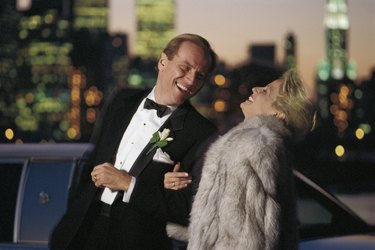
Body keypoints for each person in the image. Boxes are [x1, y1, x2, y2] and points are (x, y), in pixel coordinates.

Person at [49, 33, 218, 250]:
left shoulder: (202, 132)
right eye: (185, 68)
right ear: (163, 62)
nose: (191, 81)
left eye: (200, 75)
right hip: (83, 230)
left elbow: (190, 208)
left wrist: (129, 184)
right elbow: (93, 160)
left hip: (138, 241)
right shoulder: (121, 100)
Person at [164, 69, 316, 250]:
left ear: (279, 113)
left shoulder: (256, 144)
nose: (255, 89)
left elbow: (252, 239)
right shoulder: (266, 146)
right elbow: (216, 227)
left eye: (266, 91)